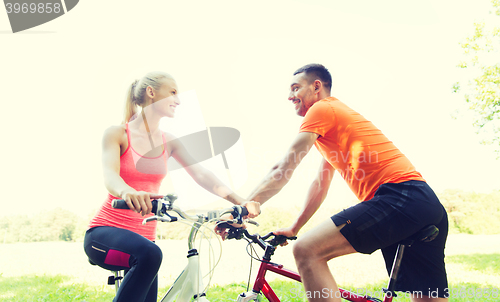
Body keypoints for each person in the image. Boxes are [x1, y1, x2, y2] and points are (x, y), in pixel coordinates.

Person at [245, 64, 448, 302]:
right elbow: (320, 185)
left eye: (295, 88)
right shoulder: (334, 125)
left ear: (316, 86)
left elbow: (285, 166)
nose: (290, 96)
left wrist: (247, 205)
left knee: (306, 251)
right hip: (423, 203)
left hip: (399, 196)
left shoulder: (322, 108)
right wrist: (295, 228)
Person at [84, 71, 259, 302]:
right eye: (173, 92)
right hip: (105, 233)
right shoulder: (118, 133)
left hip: (145, 243)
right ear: (151, 92)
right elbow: (110, 176)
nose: (178, 100)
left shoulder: (170, 141)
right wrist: (128, 191)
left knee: (149, 257)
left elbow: (202, 174)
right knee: (151, 254)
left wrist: (241, 201)